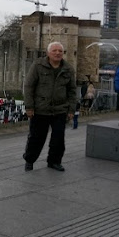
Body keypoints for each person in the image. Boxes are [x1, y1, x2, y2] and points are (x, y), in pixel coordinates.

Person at [23, 41, 76, 172]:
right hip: (41, 108)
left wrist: (71, 109)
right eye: (54, 50)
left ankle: (54, 161)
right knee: (36, 138)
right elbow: (29, 86)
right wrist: (29, 107)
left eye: (60, 51)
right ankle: (30, 160)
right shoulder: (38, 65)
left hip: (60, 109)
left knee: (58, 138)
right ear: (48, 53)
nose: (57, 53)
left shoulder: (68, 69)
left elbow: (72, 91)